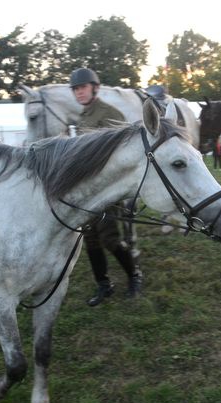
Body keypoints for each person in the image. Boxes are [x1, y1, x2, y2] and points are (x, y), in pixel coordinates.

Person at [69, 67, 143, 306]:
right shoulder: (82, 117)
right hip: (87, 190)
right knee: (90, 239)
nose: (79, 93)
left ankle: (134, 275)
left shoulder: (110, 113)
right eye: (76, 89)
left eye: (82, 87)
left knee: (110, 239)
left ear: (95, 88)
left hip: (108, 188)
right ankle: (104, 285)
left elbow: (122, 152)